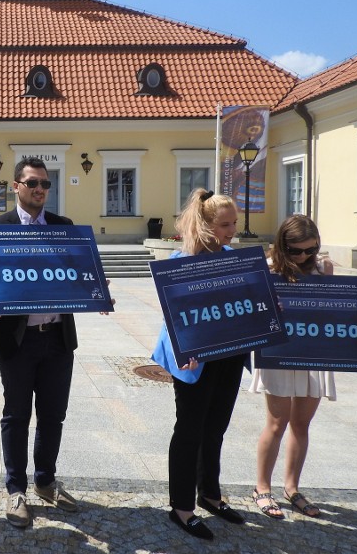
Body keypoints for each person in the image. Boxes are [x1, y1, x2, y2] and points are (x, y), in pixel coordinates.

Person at [0, 156, 80, 529]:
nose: (40, 190)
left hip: (58, 338)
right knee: (16, 415)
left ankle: (45, 481)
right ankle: (16, 490)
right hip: (18, 341)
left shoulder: (64, 227)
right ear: (16, 186)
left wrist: (93, 288)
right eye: (32, 183)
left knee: (54, 415)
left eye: (45, 184)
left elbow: (77, 274)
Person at [151, 188, 249, 541]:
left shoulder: (236, 260)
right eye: (225, 224)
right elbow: (174, 315)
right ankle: (181, 506)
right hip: (194, 359)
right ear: (206, 225)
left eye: (234, 223)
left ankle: (209, 493)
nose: (232, 230)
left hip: (230, 355)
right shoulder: (180, 262)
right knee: (190, 430)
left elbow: (250, 307)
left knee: (216, 427)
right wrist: (186, 343)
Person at [249, 214, 334, 520]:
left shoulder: (324, 268)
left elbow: (335, 311)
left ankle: (292, 487)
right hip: (280, 351)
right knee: (276, 422)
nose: (302, 256)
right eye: (296, 250)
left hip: (314, 351)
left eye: (309, 250)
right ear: (283, 246)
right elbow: (256, 314)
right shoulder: (269, 269)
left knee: (301, 424)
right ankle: (261, 487)